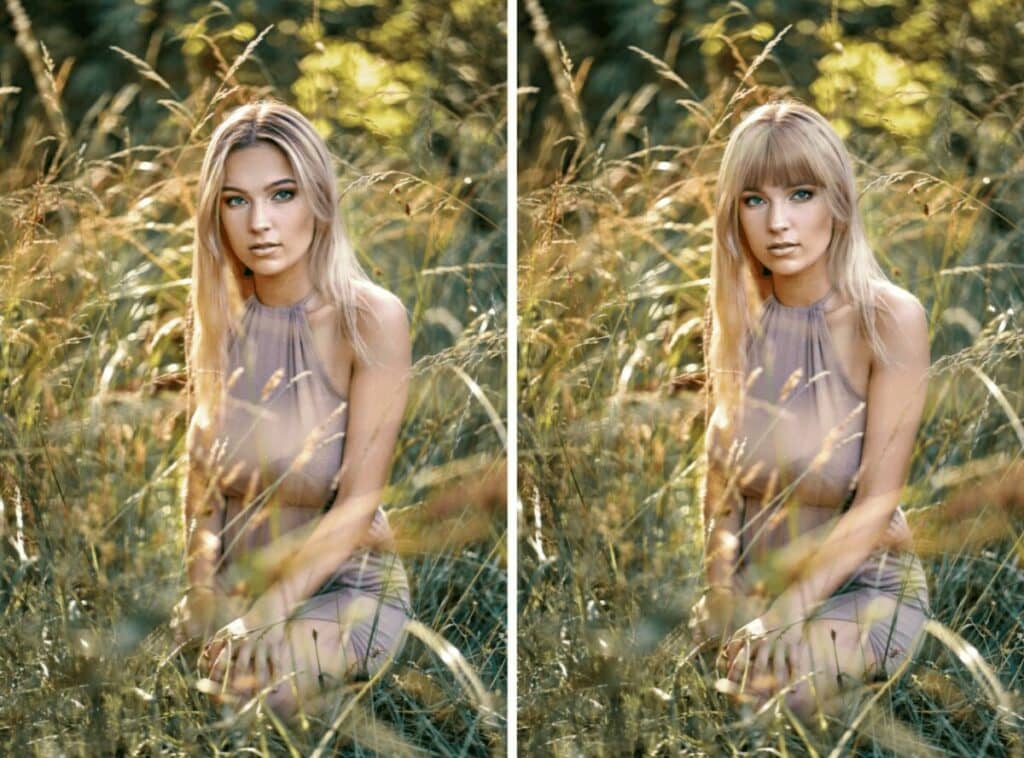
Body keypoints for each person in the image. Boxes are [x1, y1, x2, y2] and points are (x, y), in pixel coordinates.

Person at [690, 100, 931, 717]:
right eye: (754, 199)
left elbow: (879, 500)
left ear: (837, 203)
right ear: (734, 214)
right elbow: (720, 481)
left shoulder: (888, 318)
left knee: (770, 697)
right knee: (721, 691)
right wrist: (721, 588)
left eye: (800, 194)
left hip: (860, 588)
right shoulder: (736, 314)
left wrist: (786, 616)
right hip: (756, 587)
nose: (778, 222)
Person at [173, 101, 412, 716]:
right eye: (236, 200)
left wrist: (269, 614)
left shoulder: (370, 318)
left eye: (282, 195)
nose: (260, 223)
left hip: (342, 587)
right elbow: (202, 481)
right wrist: (202, 587)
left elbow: (360, 500)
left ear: (318, 201)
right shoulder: (217, 314)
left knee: (251, 696)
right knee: (205, 689)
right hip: (237, 586)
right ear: (216, 213)